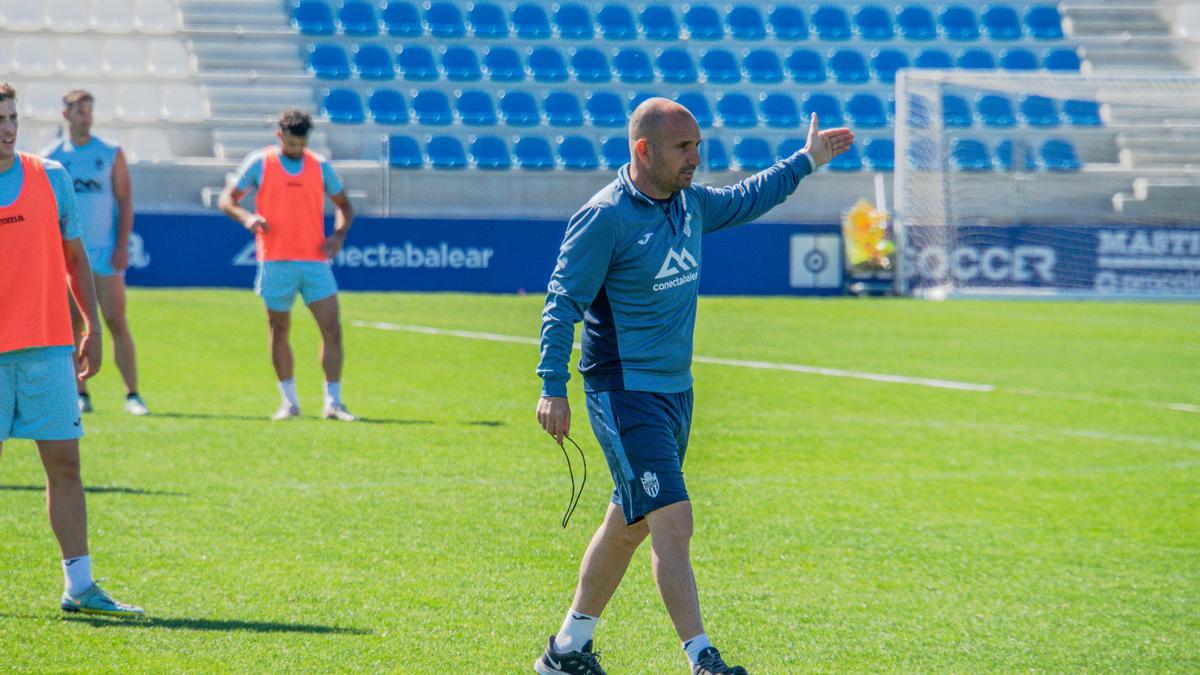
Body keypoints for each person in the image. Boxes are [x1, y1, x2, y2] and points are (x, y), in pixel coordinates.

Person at [534, 99, 854, 674]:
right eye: (684, 148)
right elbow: (562, 303)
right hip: (623, 391)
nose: (696, 159)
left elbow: (751, 195)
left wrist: (807, 160)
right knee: (672, 520)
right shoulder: (605, 216)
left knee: (628, 524)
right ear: (644, 150)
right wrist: (551, 385)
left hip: (675, 392)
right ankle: (701, 657)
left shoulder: (691, 205)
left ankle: (566, 650)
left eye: (698, 146)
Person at [0, 83, 144, 618]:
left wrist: (91, 327)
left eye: (12, 117)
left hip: (46, 349)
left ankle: (79, 586)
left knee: (65, 467)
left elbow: (76, 258)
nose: (7, 128)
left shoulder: (50, 177)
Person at [218, 110, 356, 421]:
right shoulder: (260, 163)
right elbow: (227, 200)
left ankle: (333, 402)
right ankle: (289, 402)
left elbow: (345, 205)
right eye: (291, 143)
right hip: (275, 260)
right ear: (279, 135)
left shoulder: (319, 166)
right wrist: (248, 217)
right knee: (279, 328)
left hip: (314, 261)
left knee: (332, 328)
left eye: (301, 144)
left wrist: (338, 235)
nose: (296, 149)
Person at [42, 90, 148, 416]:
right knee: (72, 325)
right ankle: (80, 392)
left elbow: (125, 200)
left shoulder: (110, 152)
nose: (85, 117)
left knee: (116, 320)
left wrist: (121, 245)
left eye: (89, 111)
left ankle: (132, 394)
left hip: (104, 253)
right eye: (79, 111)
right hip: (69, 255)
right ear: (66, 115)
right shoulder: (52, 157)